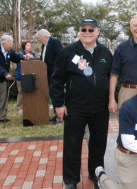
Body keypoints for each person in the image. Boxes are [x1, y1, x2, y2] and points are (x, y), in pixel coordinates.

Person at [50, 18, 113, 189]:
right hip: (75, 107)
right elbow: (56, 79)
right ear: (79, 32)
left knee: (98, 143)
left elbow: (111, 78)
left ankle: (96, 173)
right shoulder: (68, 52)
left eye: (91, 30)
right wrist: (58, 104)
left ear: (98, 32)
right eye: (83, 30)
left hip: (100, 108)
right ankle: (71, 180)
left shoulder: (106, 53)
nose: (87, 33)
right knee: (72, 144)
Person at [109, 14, 137, 113]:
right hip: (126, 92)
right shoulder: (121, 48)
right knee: (126, 127)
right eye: (135, 25)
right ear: (131, 28)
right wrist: (112, 99)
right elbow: (114, 74)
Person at [36, 28, 63, 124]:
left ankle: (60, 117)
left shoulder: (54, 42)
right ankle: (56, 114)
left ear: (44, 36)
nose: (38, 40)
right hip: (46, 74)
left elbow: (60, 57)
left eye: (39, 38)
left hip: (54, 74)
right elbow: (43, 58)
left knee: (56, 94)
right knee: (52, 95)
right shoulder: (44, 45)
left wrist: (57, 71)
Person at [15, 41, 36, 115]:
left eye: (30, 45)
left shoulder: (33, 54)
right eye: (28, 45)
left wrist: (33, 58)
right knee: (21, 92)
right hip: (21, 76)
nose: (30, 47)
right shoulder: (21, 55)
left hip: (30, 76)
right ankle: (19, 108)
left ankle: (29, 105)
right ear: (24, 47)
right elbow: (20, 64)